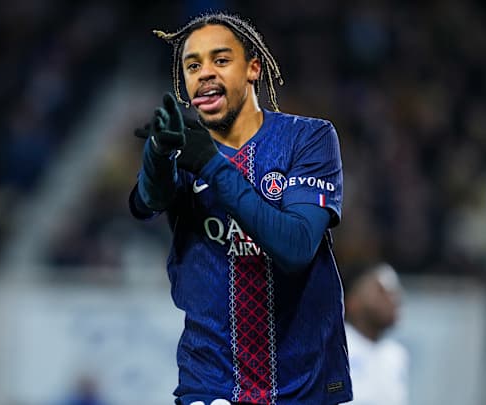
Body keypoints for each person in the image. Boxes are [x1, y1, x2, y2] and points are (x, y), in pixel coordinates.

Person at [129, 12, 352, 405]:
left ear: (253, 68)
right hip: (211, 386)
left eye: (220, 59)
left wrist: (212, 165)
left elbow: (296, 247)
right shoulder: (184, 146)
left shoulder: (308, 138)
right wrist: (157, 157)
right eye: (193, 65)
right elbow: (146, 202)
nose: (205, 73)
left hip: (305, 388)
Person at [341, 263, 409, 405]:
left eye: (394, 292)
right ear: (352, 301)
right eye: (381, 291)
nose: (393, 299)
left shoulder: (396, 355)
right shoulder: (334, 349)